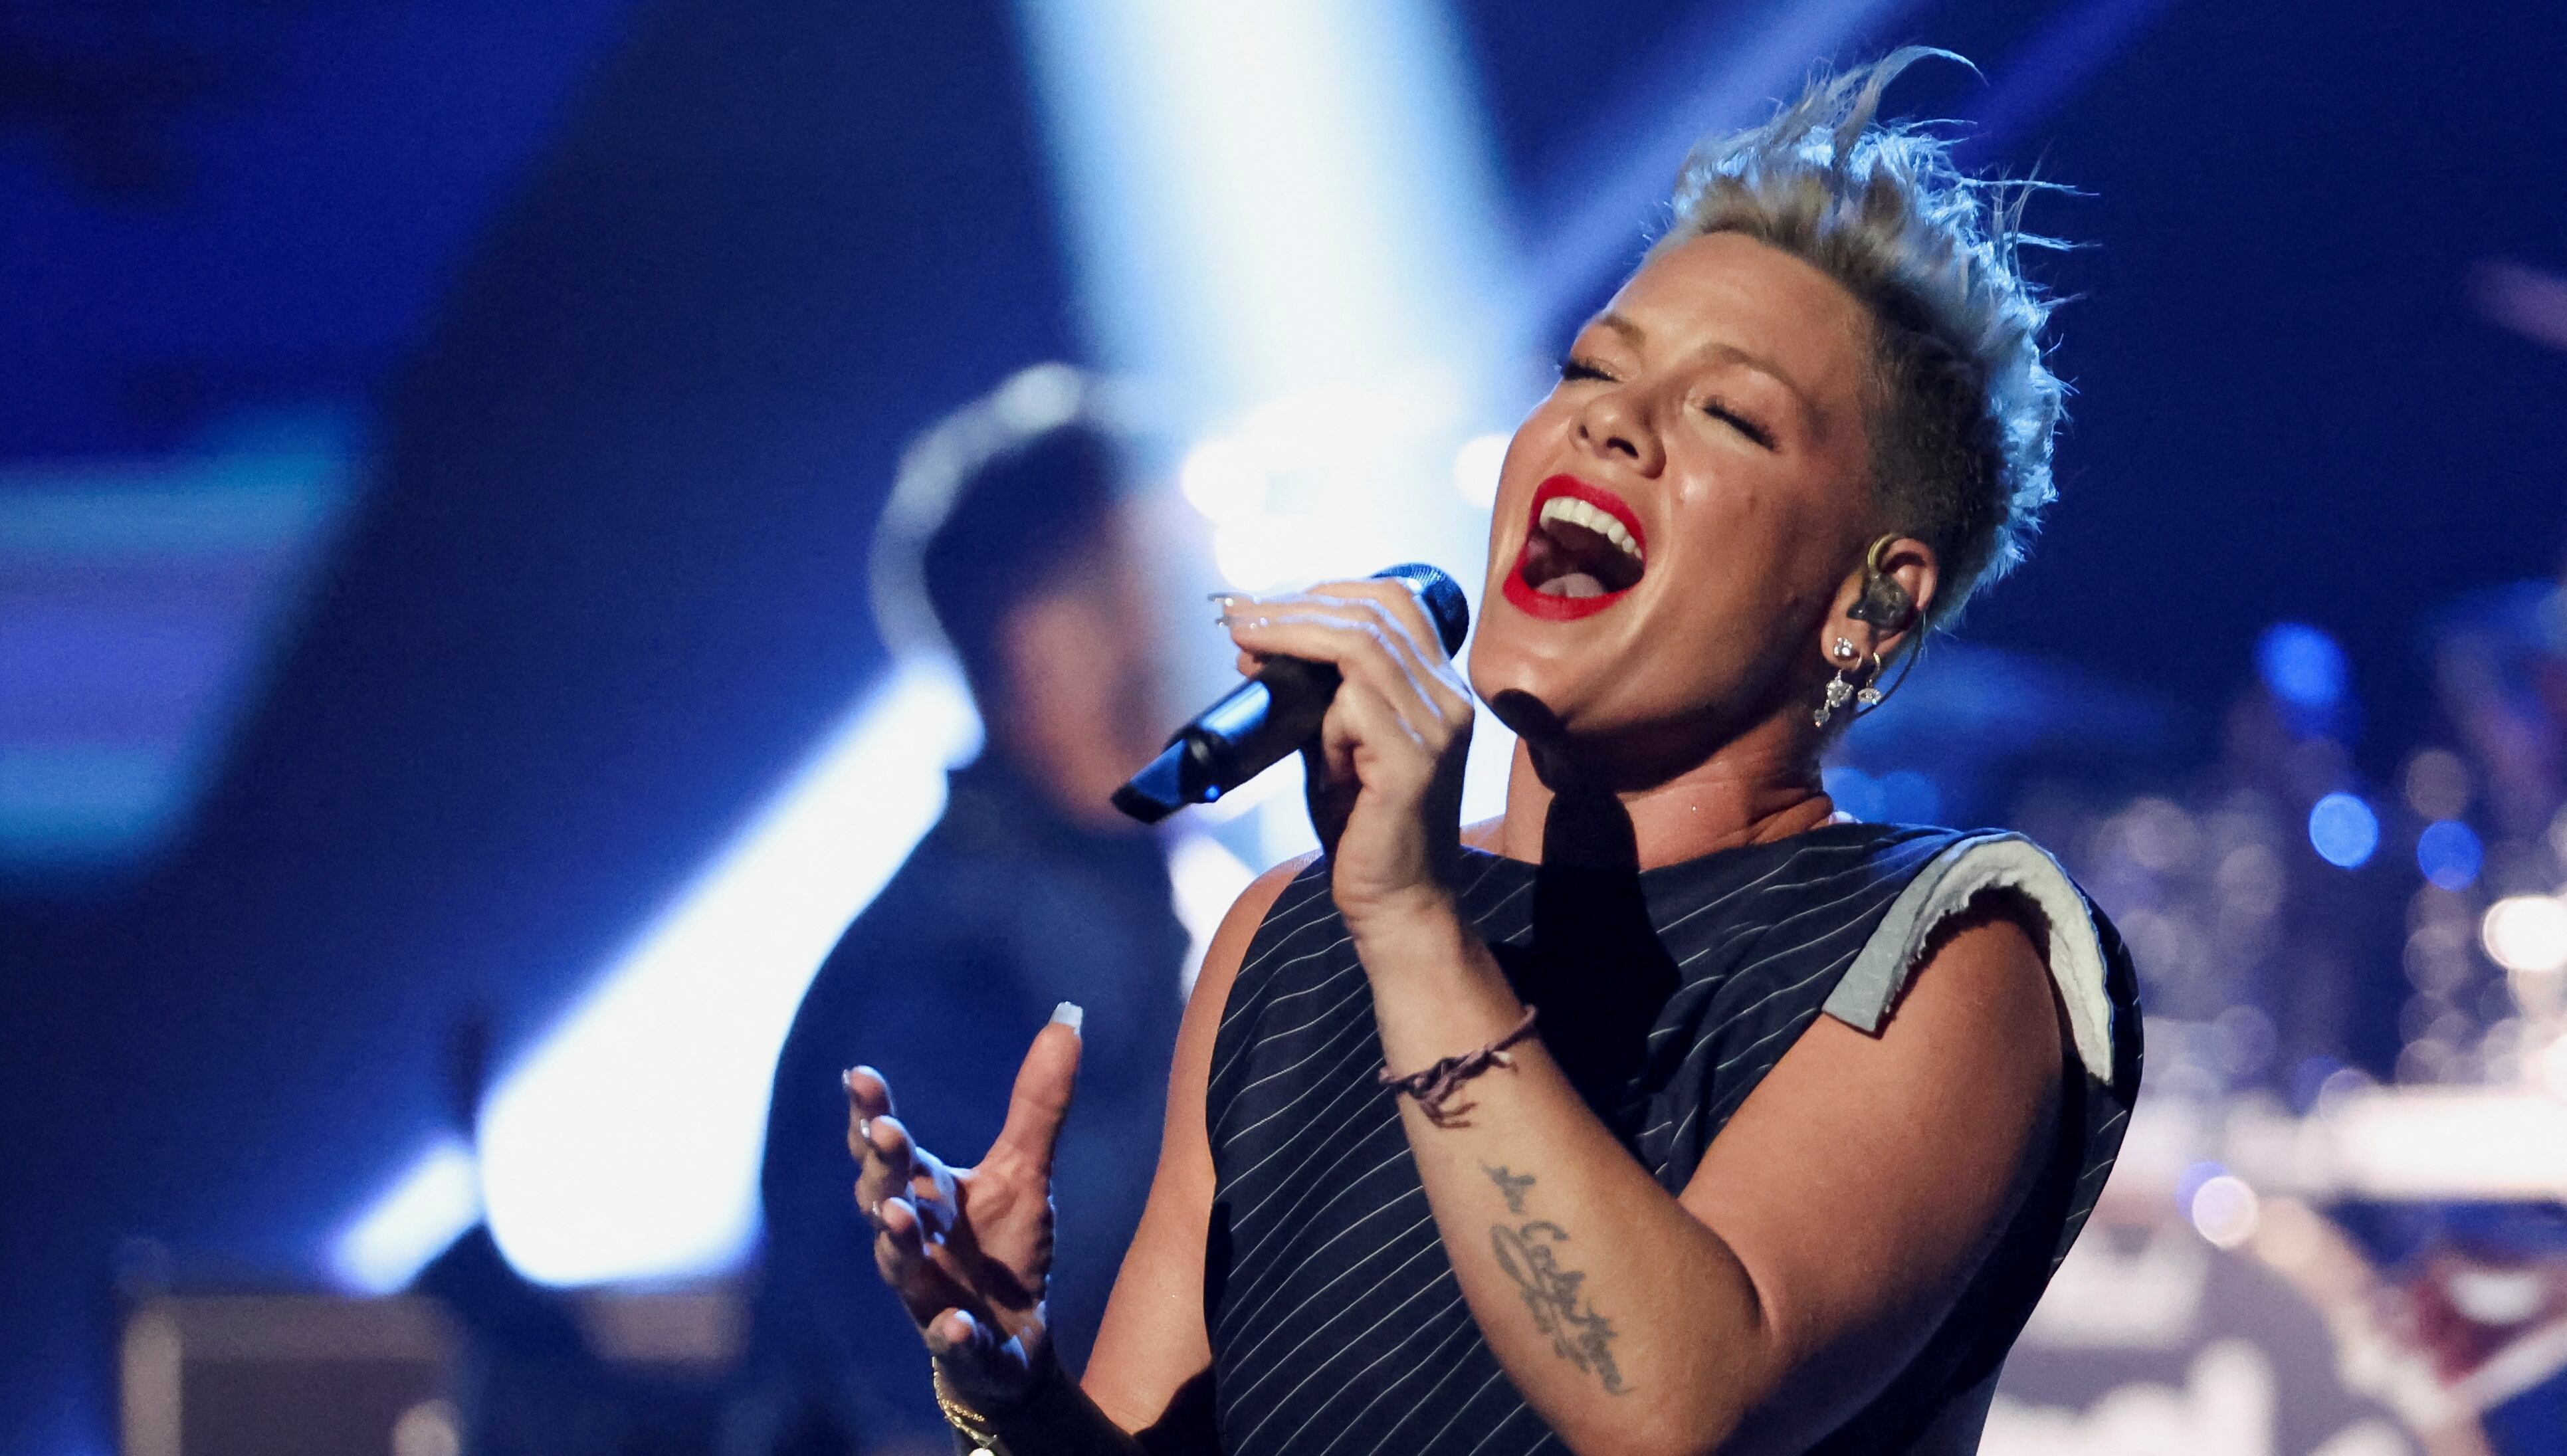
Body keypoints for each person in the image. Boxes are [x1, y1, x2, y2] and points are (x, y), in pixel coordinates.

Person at [842, 53, 2142, 1455]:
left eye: (1727, 414)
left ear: (1868, 609)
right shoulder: (1287, 942)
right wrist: (1015, 1390)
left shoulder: (1956, 946)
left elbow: (1672, 1405)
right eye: (1591, 367)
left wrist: (1407, 924)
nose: (1608, 421)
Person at [745, 368, 1189, 1455]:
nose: (1224, 619)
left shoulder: (1078, 919)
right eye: (1172, 580)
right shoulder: (959, 960)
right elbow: (910, 1375)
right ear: (1047, 640)